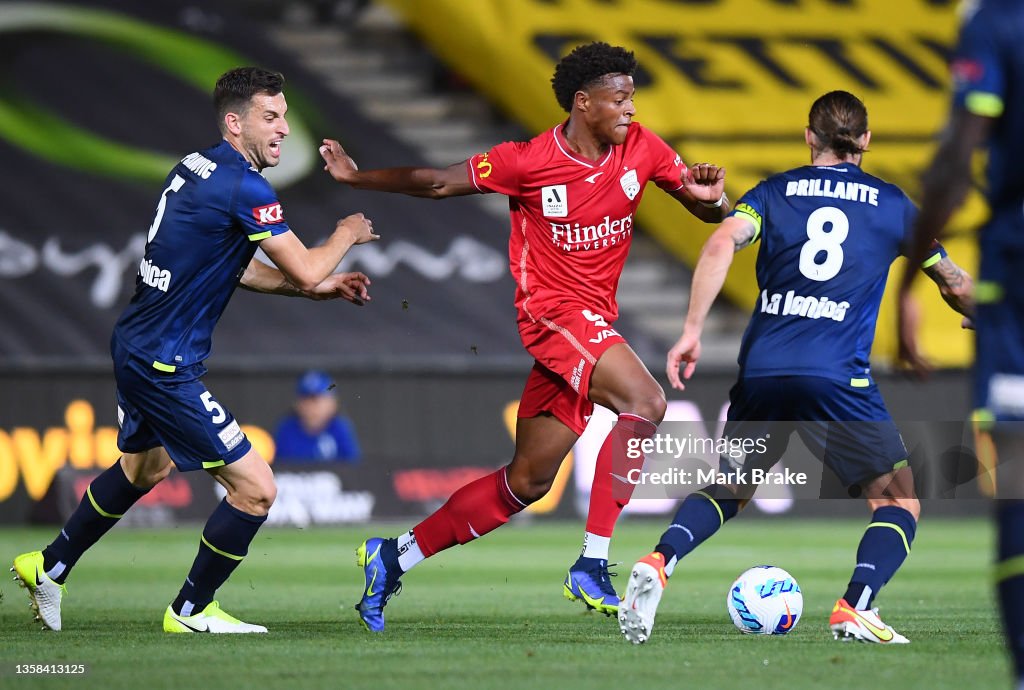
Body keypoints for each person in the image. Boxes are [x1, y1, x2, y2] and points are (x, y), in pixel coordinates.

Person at [319, 41, 730, 631]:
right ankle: (592, 563)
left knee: (528, 481)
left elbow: (701, 206)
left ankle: (393, 557)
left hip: (591, 327)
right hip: (553, 314)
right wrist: (357, 179)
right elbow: (437, 182)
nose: (631, 110)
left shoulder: (643, 148)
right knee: (647, 401)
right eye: (620, 98)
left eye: (633, 97)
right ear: (583, 103)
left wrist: (713, 201)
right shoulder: (529, 160)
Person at [10, 66, 377, 633]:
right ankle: (191, 609)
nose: (283, 129)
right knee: (257, 491)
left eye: (285, 117)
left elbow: (237, 270)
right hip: (164, 364)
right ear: (235, 122)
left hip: (136, 342)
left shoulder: (197, 167)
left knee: (142, 470)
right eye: (270, 117)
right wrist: (345, 235)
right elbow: (303, 268)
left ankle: (49, 564)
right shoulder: (245, 186)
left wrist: (322, 287)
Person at [617, 90, 974, 645]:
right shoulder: (893, 205)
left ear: (809, 138)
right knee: (898, 498)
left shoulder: (771, 194)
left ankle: (661, 560)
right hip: (836, 376)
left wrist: (691, 331)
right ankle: (856, 606)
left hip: (762, 371)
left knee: (731, 487)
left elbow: (718, 243)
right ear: (867, 142)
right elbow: (952, 281)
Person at [896, 1, 1024, 684]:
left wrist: (915, 275)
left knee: (1020, 482)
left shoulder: (995, 23)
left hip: (1017, 273)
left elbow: (955, 158)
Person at [273, 370, 361, 463]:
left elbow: (354, 467)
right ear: (297, 404)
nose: (312, 407)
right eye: (306, 400)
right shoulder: (286, 430)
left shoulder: (340, 429)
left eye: (318, 400)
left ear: (332, 403)